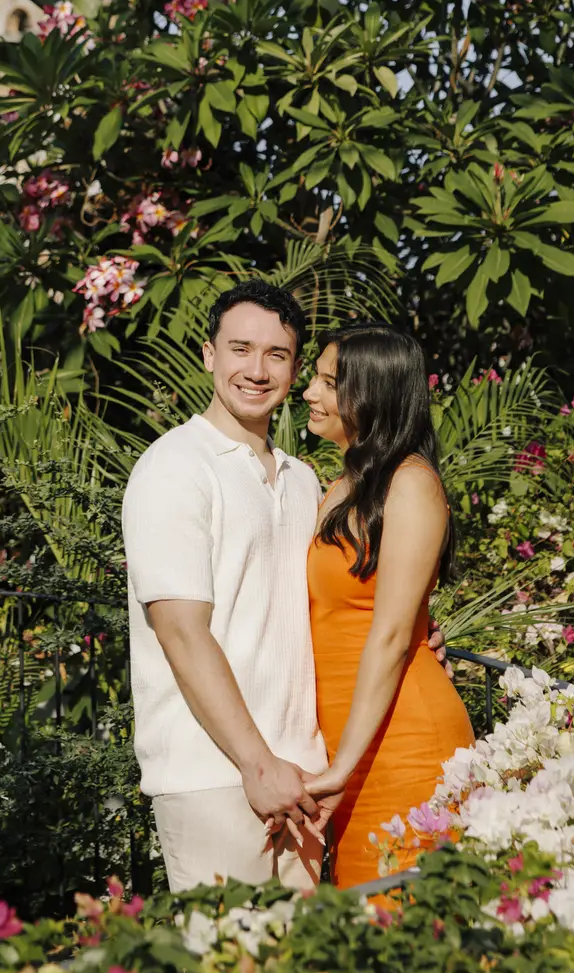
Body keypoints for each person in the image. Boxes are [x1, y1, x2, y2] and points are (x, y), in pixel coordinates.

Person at [120, 280, 450, 892]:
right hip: (216, 771)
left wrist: (418, 636)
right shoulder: (174, 468)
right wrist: (256, 763)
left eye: (277, 354)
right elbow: (182, 634)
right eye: (240, 348)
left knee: (316, 950)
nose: (257, 370)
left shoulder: (305, 481)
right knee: (229, 952)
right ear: (208, 354)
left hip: (306, 772)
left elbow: (349, 599)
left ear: (293, 367)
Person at [301, 323, 472, 886]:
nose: (310, 393)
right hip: (353, 744)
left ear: (372, 394)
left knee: (403, 920)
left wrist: (341, 769)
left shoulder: (411, 483)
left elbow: (394, 635)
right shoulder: (345, 483)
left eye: (330, 383)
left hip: (402, 744)